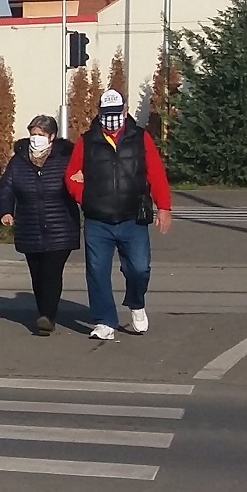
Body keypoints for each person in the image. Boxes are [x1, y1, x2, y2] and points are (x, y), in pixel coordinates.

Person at [65, 88, 173, 341]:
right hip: (98, 220)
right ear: (99, 113)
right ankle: (105, 321)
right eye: (106, 114)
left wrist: (164, 207)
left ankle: (136, 303)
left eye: (116, 113)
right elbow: (71, 176)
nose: (111, 119)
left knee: (139, 269)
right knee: (97, 270)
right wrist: (86, 196)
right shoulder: (87, 140)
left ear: (125, 111)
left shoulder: (140, 138)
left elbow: (155, 173)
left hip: (132, 217)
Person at [0, 115, 81, 336]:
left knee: (52, 272)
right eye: (33, 134)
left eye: (41, 135)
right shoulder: (19, 160)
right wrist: (5, 211)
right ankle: (44, 310)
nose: (36, 139)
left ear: (52, 137)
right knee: (37, 274)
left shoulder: (65, 157)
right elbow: (6, 187)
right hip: (29, 225)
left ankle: (47, 316)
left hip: (60, 226)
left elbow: (79, 183)